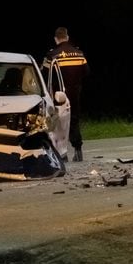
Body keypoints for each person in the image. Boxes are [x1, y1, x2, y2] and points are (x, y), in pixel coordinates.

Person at [42, 27, 90, 162]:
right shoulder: (79, 53)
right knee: (74, 120)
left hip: (58, 95)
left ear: (56, 39)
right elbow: (86, 72)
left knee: (58, 123)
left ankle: (62, 154)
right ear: (67, 37)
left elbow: (45, 75)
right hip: (75, 93)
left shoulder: (51, 55)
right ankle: (78, 150)